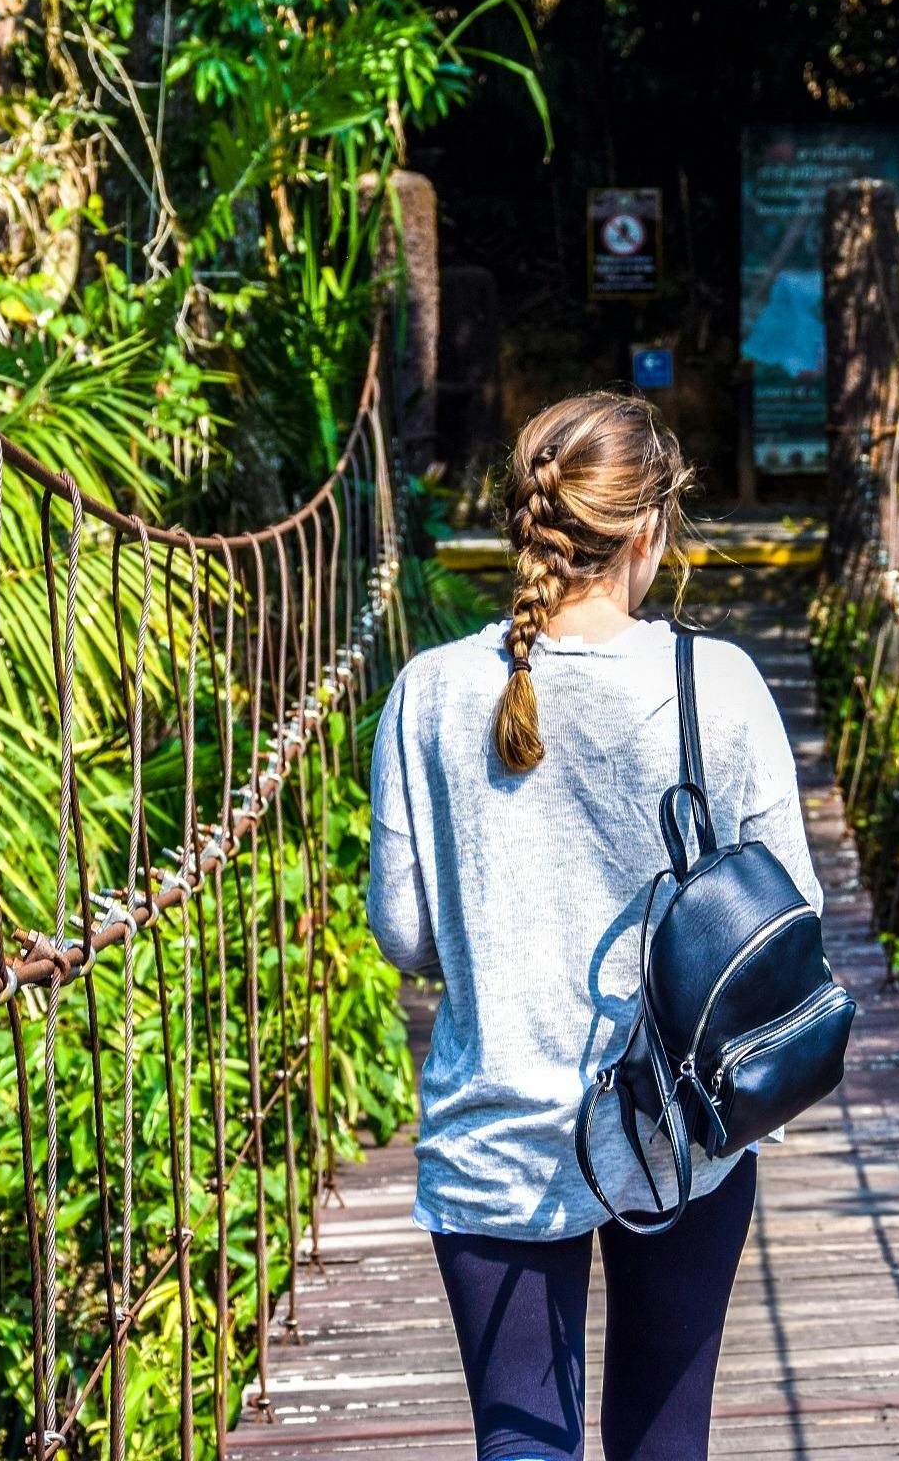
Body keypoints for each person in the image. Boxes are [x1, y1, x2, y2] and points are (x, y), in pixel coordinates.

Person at [367, 392, 823, 1461]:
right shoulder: (720, 682)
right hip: (686, 1124)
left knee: (520, 1441)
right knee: (665, 1442)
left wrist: (502, 931)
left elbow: (403, 932)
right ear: (652, 530)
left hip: (494, 1135)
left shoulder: (428, 692)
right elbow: (791, 914)